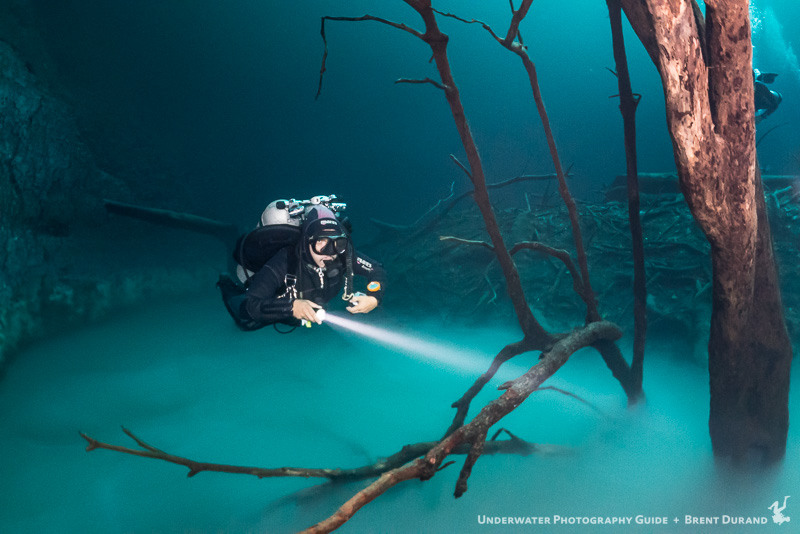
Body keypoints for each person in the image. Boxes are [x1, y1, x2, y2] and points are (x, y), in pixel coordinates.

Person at [217, 204, 385, 331]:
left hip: (307, 304)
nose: (330, 253)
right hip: (277, 302)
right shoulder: (284, 261)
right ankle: (225, 282)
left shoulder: (342, 256)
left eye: (337, 244)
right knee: (248, 324)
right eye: (321, 243)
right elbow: (242, 305)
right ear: (307, 242)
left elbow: (376, 269)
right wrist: (290, 307)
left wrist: (374, 297)